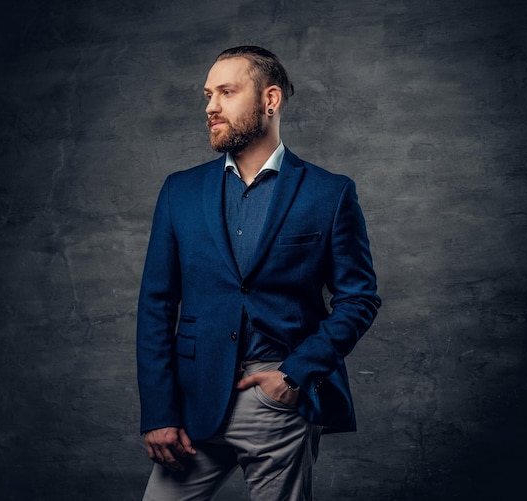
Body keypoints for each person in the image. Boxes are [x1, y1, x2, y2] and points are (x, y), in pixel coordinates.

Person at [137, 45, 381, 501]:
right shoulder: (179, 192)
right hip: (192, 403)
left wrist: (293, 376)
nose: (211, 106)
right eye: (208, 95)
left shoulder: (329, 194)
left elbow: (358, 298)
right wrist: (158, 412)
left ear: (270, 100)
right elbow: (156, 306)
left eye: (226, 92)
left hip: (277, 398)